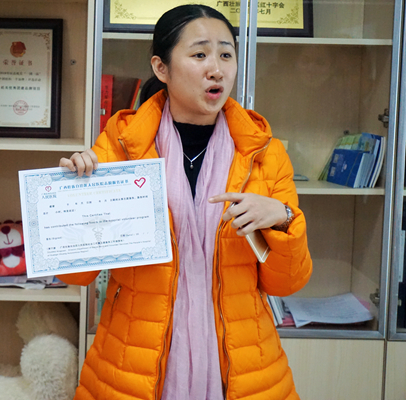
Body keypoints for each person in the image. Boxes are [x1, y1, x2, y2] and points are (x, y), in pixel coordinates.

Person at [57, 4, 312, 400]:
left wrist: (282, 218)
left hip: (242, 364)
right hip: (134, 359)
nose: (217, 69)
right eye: (200, 54)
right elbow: (77, 276)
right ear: (161, 68)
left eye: (226, 55)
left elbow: (287, 282)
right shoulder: (120, 147)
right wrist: (76, 197)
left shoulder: (264, 153)